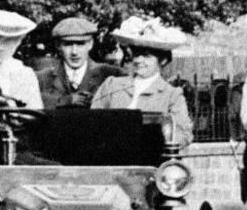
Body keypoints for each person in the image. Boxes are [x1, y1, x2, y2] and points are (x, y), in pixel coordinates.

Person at [89, 18, 193, 147]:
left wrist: (161, 134)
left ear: (163, 60)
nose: (138, 60)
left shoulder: (172, 95)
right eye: (137, 54)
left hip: (148, 161)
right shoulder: (111, 85)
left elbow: (184, 136)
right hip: (109, 159)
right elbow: (91, 122)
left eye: (147, 56)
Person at [35, 17, 109, 110]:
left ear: (90, 44)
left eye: (80, 44)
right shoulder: (40, 79)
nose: (74, 52)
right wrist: (65, 101)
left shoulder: (110, 75)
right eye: (68, 44)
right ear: (58, 45)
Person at [0, 10, 42, 108]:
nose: (1, 47)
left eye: (9, 42)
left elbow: (36, 110)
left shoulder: (25, 73)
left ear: (18, 42)